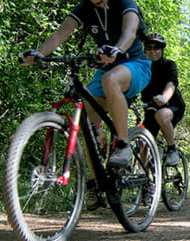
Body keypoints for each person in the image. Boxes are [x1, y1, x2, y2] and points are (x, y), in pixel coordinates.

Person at [19, 0, 152, 210]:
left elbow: (130, 31)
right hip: (105, 67)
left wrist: (117, 49)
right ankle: (96, 182)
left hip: (135, 64)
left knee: (110, 80)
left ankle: (124, 144)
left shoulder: (124, 2)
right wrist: (40, 54)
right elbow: (60, 33)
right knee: (86, 118)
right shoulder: (84, 8)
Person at [140, 33, 186, 166]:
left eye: (156, 48)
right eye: (149, 48)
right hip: (151, 110)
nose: (153, 51)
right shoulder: (142, 67)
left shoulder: (169, 65)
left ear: (161, 50)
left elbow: (171, 84)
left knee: (161, 114)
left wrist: (164, 97)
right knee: (143, 143)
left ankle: (172, 149)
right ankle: (143, 177)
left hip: (173, 106)